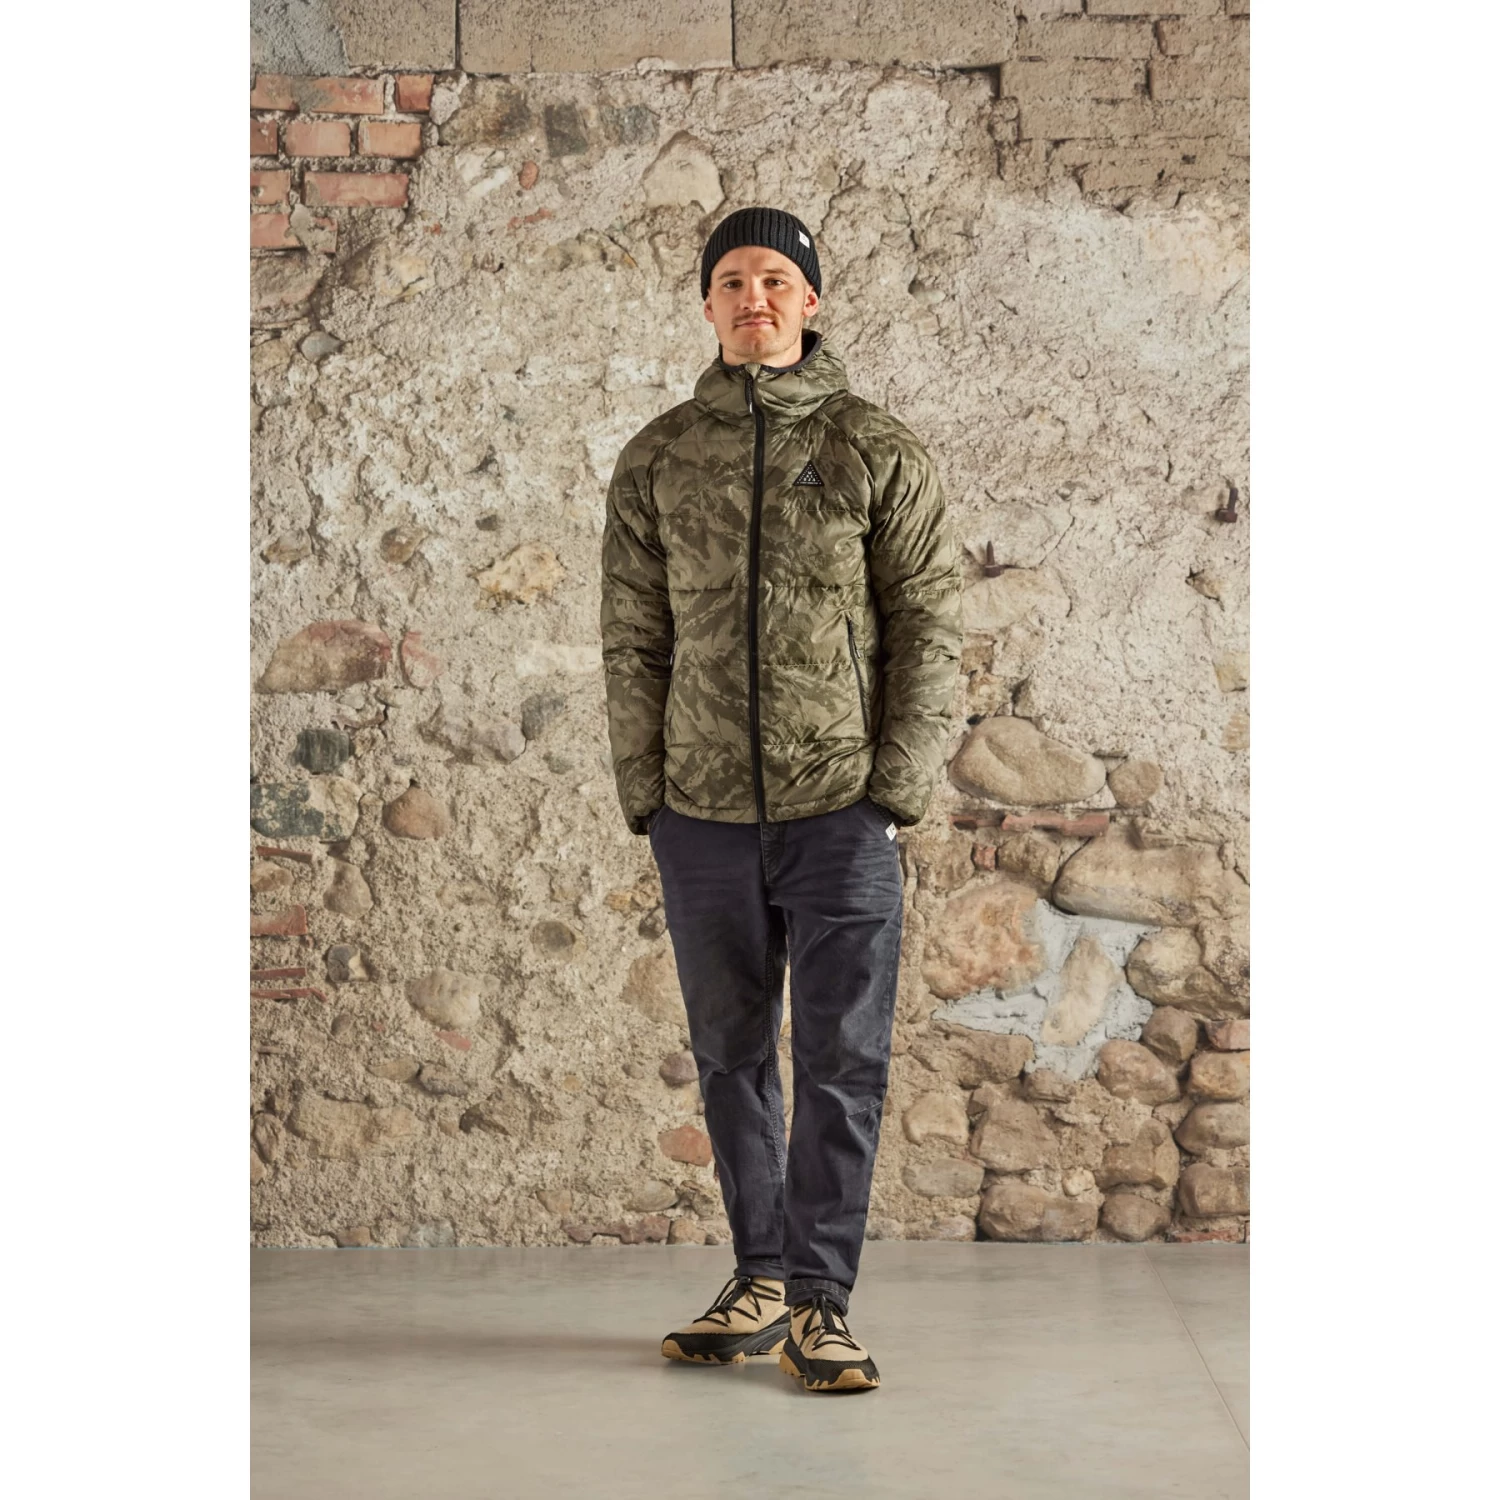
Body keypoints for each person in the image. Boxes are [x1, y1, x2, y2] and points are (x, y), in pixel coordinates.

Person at [599, 205, 962, 1393]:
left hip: (840, 810)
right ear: (707, 304)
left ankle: (820, 1303)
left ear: (811, 300)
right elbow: (632, 637)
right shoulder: (659, 458)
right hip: (700, 814)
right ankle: (758, 1275)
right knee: (729, 1056)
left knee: (842, 1062)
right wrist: (648, 794)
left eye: (773, 280)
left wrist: (891, 790)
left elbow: (929, 626)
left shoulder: (875, 447)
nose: (752, 298)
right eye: (731, 281)